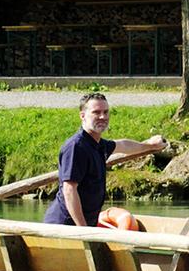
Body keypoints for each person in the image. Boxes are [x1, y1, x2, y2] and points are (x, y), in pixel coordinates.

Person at [43, 92, 166, 227]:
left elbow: (123, 145)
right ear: (82, 116)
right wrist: (83, 230)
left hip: (85, 224)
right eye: (96, 112)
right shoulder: (76, 147)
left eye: (106, 112)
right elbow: (69, 190)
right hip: (65, 226)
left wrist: (150, 145)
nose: (103, 117)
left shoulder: (99, 145)